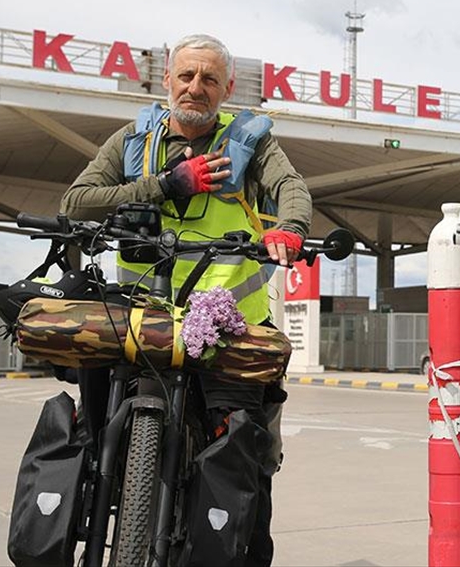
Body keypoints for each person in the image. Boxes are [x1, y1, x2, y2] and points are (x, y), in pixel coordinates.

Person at [61, 33, 312, 566]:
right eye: (187, 75)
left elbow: (291, 186)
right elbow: (76, 202)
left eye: (209, 79)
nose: (196, 87)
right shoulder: (134, 140)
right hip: (142, 319)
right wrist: (166, 185)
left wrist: (289, 228)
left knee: (247, 458)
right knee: (91, 431)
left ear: (227, 88)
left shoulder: (249, 140)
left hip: (230, 327)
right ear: (168, 80)